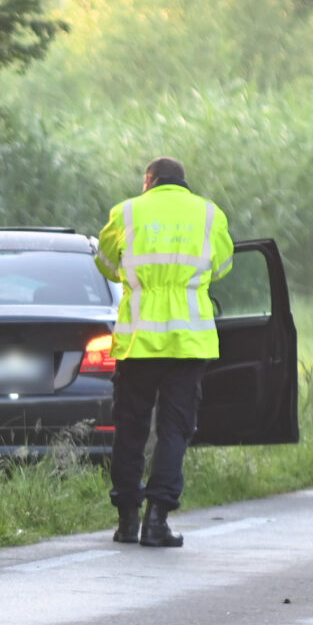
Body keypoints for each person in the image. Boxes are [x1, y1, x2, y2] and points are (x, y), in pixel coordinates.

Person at [94, 157, 234, 547]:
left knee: (131, 429)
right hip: (188, 342)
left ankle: (127, 521)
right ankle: (157, 521)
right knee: (175, 430)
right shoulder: (209, 214)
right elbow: (222, 266)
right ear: (182, 181)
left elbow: (105, 264)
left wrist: (139, 278)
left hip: (138, 341)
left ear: (149, 180)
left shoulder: (126, 212)